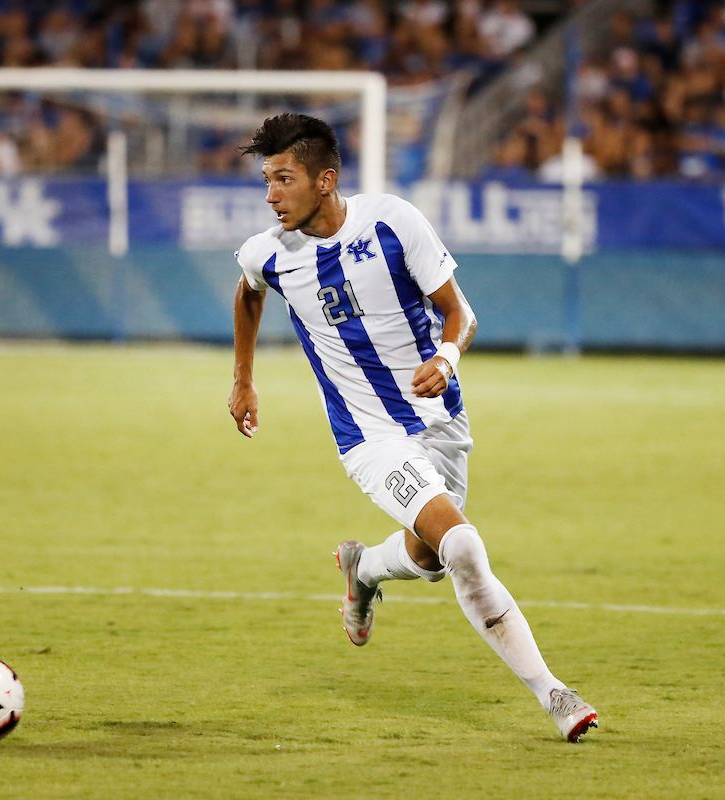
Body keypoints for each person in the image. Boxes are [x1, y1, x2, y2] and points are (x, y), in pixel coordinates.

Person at [227, 114, 598, 742]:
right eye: (267, 180)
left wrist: (446, 359)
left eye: (283, 179)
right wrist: (243, 379)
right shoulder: (268, 252)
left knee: (429, 557)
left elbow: (460, 313)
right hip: (368, 437)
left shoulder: (393, 222)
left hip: (439, 419)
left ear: (325, 180)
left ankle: (365, 568)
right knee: (463, 547)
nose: (271, 195)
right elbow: (248, 292)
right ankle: (554, 694)